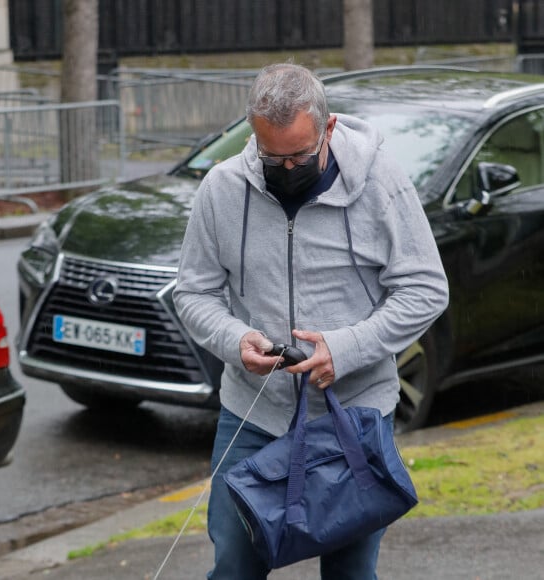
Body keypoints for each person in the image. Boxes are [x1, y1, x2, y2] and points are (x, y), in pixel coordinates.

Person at [173, 63, 449, 579]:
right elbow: (194, 293)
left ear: (328, 127)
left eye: (298, 154)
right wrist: (237, 340)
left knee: (349, 571)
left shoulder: (380, 183)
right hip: (254, 415)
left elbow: (426, 289)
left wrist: (344, 349)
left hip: (356, 414)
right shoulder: (221, 189)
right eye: (270, 154)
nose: (283, 167)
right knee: (234, 562)